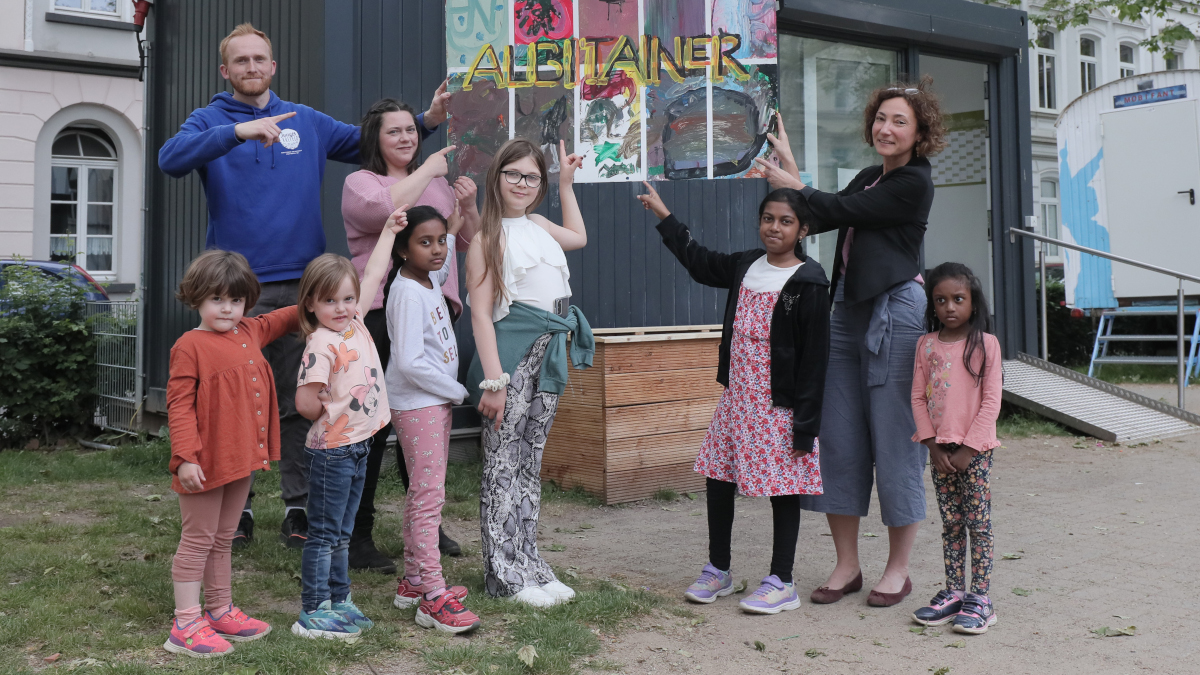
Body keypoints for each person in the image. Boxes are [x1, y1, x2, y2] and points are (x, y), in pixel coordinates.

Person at [158, 23, 450, 549]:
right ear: (226, 72)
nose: (251, 68)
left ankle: (298, 507)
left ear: (273, 67)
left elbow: (370, 142)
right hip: (235, 292)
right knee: (227, 401)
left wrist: (426, 121)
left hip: (302, 287)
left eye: (260, 60)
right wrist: (237, 133)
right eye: (240, 61)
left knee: (301, 399)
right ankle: (236, 507)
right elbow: (169, 159)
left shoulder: (305, 122)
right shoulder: (209, 121)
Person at [755, 78, 948, 607]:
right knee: (837, 438)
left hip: (895, 312)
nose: (886, 128)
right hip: (844, 314)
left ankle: (898, 570)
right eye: (881, 118)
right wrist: (791, 168)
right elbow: (818, 215)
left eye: (899, 121)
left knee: (893, 438)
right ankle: (846, 565)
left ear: (919, 132)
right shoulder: (868, 177)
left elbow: (840, 212)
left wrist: (795, 181)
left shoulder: (914, 182)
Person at [637, 185, 831, 614]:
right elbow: (700, 261)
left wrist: (807, 426)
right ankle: (718, 569)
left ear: (802, 229)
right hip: (737, 401)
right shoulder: (747, 265)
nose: (774, 228)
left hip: (781, 407)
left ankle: (782, 579)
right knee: (718, 478)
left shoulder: (810, 282)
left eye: (785, 221)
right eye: (768, 218)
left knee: (784, 489)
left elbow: (816, 360)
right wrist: (664, 213)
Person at [341, 98, 480, 571]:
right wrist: (428, 175)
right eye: (394, 132)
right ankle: (358, 536)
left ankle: (426, 524)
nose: (406, 138)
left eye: (410, 130)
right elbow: (383, 212)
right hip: (382, 315)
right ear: (375, 140)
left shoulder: (438, 183)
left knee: (423, 422)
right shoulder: (361, 183)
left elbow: (458, 242)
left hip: (437, 312)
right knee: (376, 429)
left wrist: (467, 206)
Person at [465, 138, 594, 607]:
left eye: (532, 176)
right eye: (513, 174)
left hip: (550, 348)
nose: (522, 183)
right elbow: (481, 316)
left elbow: (579, 238)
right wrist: (495, 382)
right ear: (496, 176)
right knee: (502, 461)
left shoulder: (539, 223)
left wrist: (565, 185)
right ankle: (503, 573)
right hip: (512, 352)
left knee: (530, 458)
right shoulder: (485, 240)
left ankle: (530, 562)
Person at [164, 250, 293, 657]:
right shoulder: (190, 346)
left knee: (223, 538)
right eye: (218, 299)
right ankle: (185, 623)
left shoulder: (249, 331)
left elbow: (285, 317)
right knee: (198, 539)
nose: (227, 308)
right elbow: (179, 405)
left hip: (242, 457)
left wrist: (322, 297)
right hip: (203, 464)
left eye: (236, 300)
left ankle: (219, 611)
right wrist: (185, 457)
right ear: (197, 297)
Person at [289, 208, 407, 641]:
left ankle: (339, 600)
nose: (341, 308)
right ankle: (313, 610)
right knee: (323, 534)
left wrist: (390, 232)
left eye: (347, 299)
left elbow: (373, 270)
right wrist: (319, 404)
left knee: (341, 531)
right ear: (311, 305)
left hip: (360, 443)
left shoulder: (355, 323)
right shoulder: (320, 343)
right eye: (329, 301)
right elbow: (304, 401)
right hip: (334, 450)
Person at [383, 205, 480, 634]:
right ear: (403, 250)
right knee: (428, 498)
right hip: (420, 403)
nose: (438, 250)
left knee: (423, 493)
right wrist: (455, 390)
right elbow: (407, 361)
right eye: (425, 243)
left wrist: (457, 223)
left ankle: (413, 582)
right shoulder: (405, 292)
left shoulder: (427, 278)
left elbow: (443, 265)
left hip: (429, 403)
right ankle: (432, 596)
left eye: (441, 240)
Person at [910, 263, 1001, 634]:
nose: (950, 306)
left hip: (974, 452)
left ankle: (981, 599)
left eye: (958, 299)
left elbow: (992, 401)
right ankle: (954, 592)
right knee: (951, 523)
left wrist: (968, 450)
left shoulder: (985, 344)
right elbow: (917, 397)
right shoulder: (926, 344)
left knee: (978, 524)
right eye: (941, 300)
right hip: (940, 452)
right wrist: (932, 446)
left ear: (973, 303)